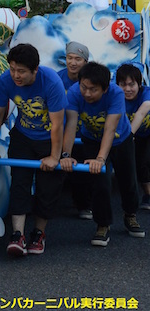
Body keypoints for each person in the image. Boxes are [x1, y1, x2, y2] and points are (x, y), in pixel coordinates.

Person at [0, 43, 66, 257]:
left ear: (35, 70)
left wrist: (54, 156)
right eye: (12, 69)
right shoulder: (6, 80)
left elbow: (58, 124)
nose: (16, 75)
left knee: (46, 188)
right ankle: (17, 235)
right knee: (19, 182)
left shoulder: (51, 82)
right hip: (23, 135)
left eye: (21, 71)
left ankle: (39, 233)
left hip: (50, 138)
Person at [62, 62, 144, 247]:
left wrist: (101, 158)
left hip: (120, 139)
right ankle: (102, 223)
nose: (87, 93)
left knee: (128, 180)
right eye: (84, 87)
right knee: (100, 182)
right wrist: (66, 154)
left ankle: (130, 214)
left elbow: (110, 129)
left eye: (93, 89)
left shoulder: (115, 93)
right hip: (91, 139)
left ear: (105, 88)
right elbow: (71, 124)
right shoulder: (75, 93)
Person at [56, 41, 93, 219]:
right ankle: (48, 207)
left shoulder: (91, 81)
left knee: (80, 173)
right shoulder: (57, 79)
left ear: (85, 62)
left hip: (83, 134)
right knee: (54, 171)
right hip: (58, 133)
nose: (73, 62)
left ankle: (84, 206)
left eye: (78, 59)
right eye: (69, 58)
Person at [116, 63, 150, 211]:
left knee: (144, 162)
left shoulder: (146, 93)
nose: (128, 89)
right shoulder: (114, 95)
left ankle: (148, 195)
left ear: (139, 84)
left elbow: (142, 112)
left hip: (145, 133)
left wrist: (128, 136)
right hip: (130, 134)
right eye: (123, 85)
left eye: (132, 84)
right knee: (136, 165)